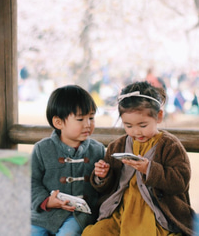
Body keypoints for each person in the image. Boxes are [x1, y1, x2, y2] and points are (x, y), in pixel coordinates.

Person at [82, 81, 196, 236]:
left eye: (143, 125)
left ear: (159, 116)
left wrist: (150, 170)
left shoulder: (170, 146)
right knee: (95, 233)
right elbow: (106, 188)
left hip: (157, 212)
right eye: (128, 126)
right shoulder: (118, 146)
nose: (136, 132)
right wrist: (103, 176)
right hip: (121, 209)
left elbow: (180, 182)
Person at [31, 85, 106, 236]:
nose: (88, 124)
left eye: (91, 117)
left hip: (79, 216)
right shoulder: (42, 149)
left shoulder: (97, 150)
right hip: (44, 213)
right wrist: (46, 201)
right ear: (58, 123)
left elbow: (105, 189)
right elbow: (30, 181)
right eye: (80, 119)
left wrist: (102, 177)